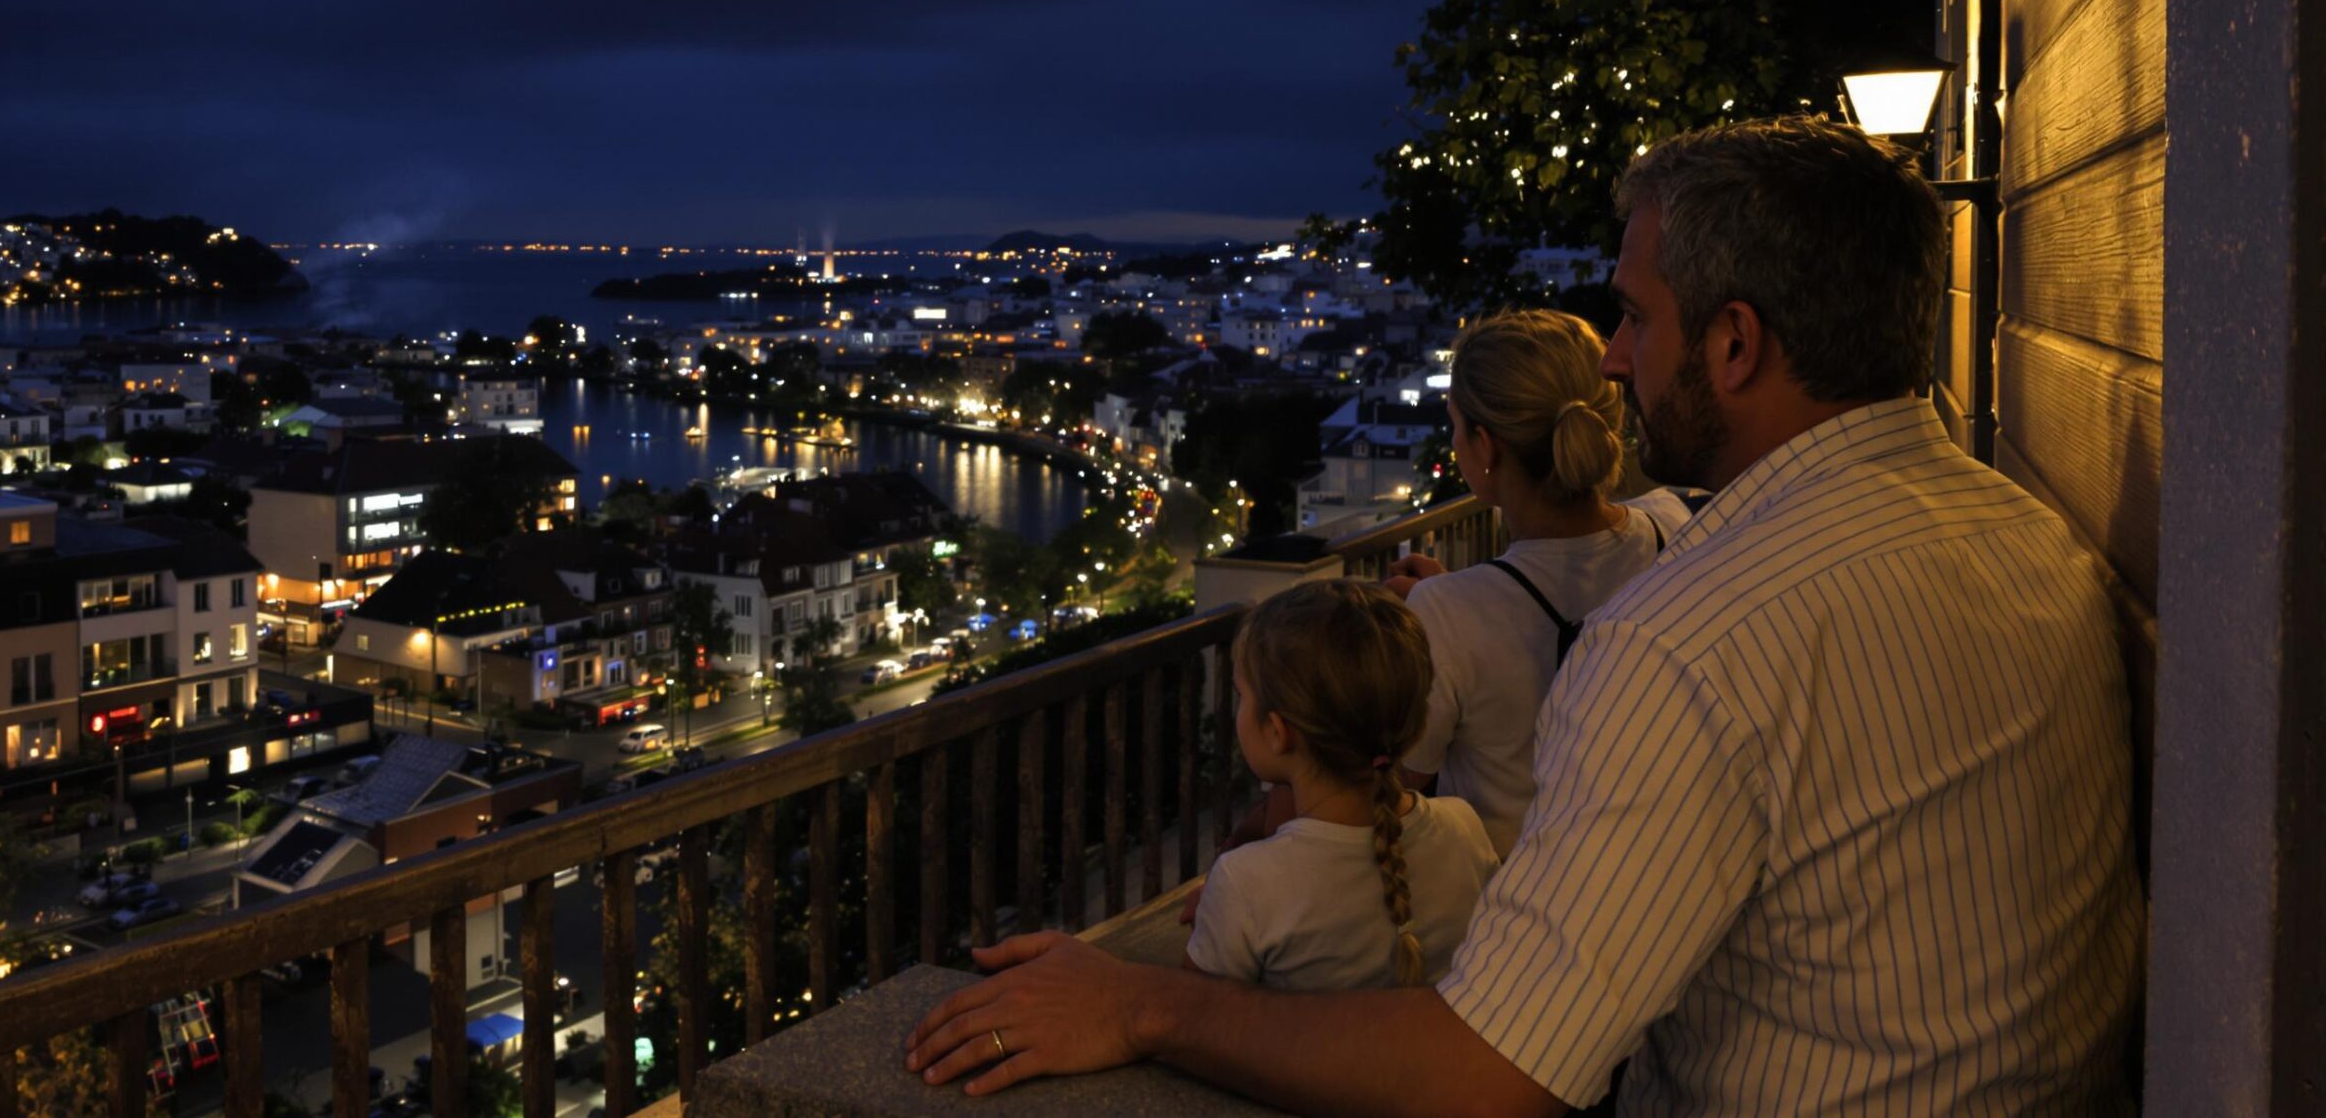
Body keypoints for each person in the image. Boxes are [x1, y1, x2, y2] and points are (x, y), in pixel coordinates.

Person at [905, 116, 2143, 1115]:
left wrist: (1140, 1005)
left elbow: (1486, 1068)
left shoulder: (1691, 640)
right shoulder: (2026, 532)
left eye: (1638, 316)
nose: (1613, 356)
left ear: (1733, 344)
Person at [1385, 309, 1690, 857]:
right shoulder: (1674, 525)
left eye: (1455, 425)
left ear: (1485, 446)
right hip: (1656, 867)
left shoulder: (1449, 613)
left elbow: (1393, 789)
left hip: (1515, 909)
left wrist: (1451, 607)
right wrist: (1463, 598)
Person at [1186, 580, 1498, 991]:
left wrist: (1219, 913)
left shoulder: (1247, 885)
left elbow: (1192, 1017)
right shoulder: (1463, 827)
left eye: (1242, 695)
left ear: (1278, 731)